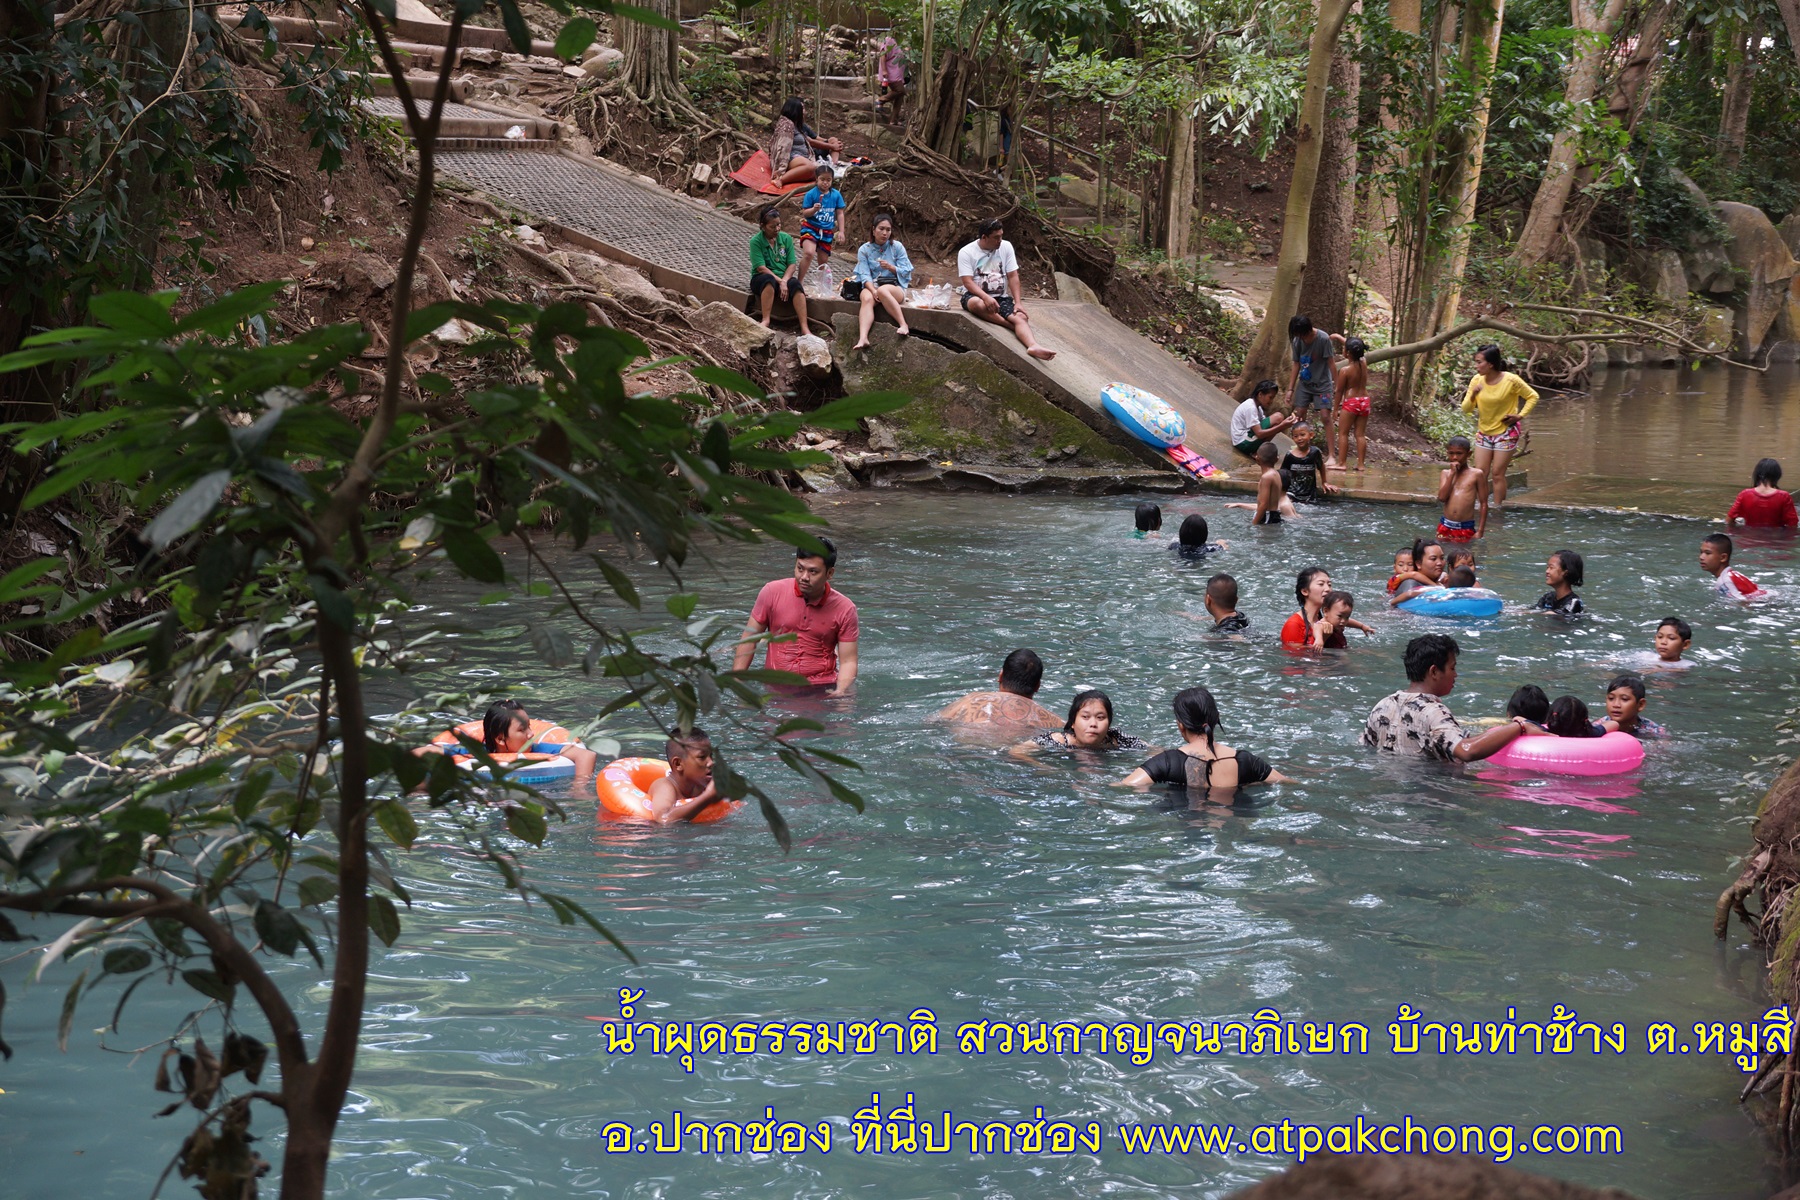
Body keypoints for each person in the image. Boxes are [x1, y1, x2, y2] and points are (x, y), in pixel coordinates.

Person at [1362, 633, 1533, 761]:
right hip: (1433, 796)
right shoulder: (1433, 711)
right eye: (1452, 668)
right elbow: (1467, 751)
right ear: (1434, 671)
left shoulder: (1382, 706)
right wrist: (1520, 726)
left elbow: (1366, 748)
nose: (1456, 675)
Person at [732, 538, 858, 695]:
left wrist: (841, 691)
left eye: (813, 572)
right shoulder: (771, 592)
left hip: (821, 688)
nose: (804, 577)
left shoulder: (845, 609)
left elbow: (848, 661)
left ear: (829, 573)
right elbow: (749, 639)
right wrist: (737, 680)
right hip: (776, 684)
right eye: (800, 568)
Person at [1116, 686, 1290, 794]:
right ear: (1217, 718)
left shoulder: (1168, 761)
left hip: (1191, 825)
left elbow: (1124, 787)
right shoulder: (1245, 761)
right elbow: (1288, 783)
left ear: (1180, 725)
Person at [957, 218, 1055, 360]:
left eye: (1001, 236)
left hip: (1001, 297)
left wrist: (1018, 302)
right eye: (996, 237)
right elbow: (967, 282)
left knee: (1021, 316)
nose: (1000, 240)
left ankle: (1033, 345)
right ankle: (1009, 325)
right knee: (977, 304)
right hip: (976, 295)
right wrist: (985, 297)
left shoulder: (1006, 247)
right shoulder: (967, 252)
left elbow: (1013, 276)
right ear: (984, 237)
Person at [422, 700, 600, 775]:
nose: (531, 734)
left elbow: (587, 755)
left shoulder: (539, 749)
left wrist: (579, 790)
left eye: (529, 726)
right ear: (500, 739)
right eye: (523, 730)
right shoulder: (473, 753)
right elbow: (421, 753)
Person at [1459, 344, 1538, 507]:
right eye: (1476, 362)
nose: (1476, 366)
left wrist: (1520, 415)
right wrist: (1474, 393)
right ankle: (1479, 506)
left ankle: (1497, 509)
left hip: (1506, 432)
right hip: (1484, 431)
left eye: (1479, 362)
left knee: (1497, 474)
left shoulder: (1511, 380)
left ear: (1491, 364)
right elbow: (1466, 409)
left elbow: (1532, 396)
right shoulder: (1476, 380)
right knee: (1480, 473)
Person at [936, 648, 1061, 729]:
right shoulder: (1055, 721)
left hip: (965, 750)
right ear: (1038, 686)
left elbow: (932, 722)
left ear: (1000, 675)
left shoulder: (970, 700)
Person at [1014, 689, 1153, 755]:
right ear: (1073, 722)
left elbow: (1155, 751)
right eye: (1085, 717)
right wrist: (1044, 768)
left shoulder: (1118, 739)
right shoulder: (1057, 741)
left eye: (1100, 718)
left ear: (1109, 724)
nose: (1093, 724)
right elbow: (1017, 752)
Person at [847, 212, 913, 349]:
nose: (885, 233)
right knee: (865, 297)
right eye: (881, 229)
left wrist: (891, 267)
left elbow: (907, 271)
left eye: (888, 230)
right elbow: (864, 274)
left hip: (895, 287)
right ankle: (863, 338)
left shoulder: (897, 247)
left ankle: (903, 324)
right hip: (873, 286)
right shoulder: (864, 249)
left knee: (883, 290)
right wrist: (872, 290)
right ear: (873, 229)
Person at [645, 728, 728, 823]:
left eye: (711, 756)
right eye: (702, 757)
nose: (711, 762)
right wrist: (708, 796)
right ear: (678, 764)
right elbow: (663, 818)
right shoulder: (664, 786)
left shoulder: (700, 784)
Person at [1285, 315, 1343, 445]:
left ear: (1307, 330)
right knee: (1299, 414)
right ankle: (1301, 448)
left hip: (1322, 384)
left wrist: (1337, 386)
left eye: (1301, 334)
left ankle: (1332, 454)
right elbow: (1296, 364)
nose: (1300, 337)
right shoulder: (1297, 340)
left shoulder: (1323, 339)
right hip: (1305, 384)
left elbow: (1331, 363)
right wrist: (1290, 389)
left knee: (1325, 416)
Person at [750, 206, 808, 330]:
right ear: (763, 226)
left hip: (783, 277)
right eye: (772, 227)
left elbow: (792, 264)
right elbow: (761, 268)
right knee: (768, 280)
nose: (776, 229)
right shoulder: (756, 241)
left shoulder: (786, 238)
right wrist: (780, 281)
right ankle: (766, 319)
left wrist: (785, 281)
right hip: (762, 277)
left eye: (779, 225)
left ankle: (804, 326)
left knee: (797, 285)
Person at [769, 96, 843, 187]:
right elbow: (783, 147)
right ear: (795, 110)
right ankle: (781, 180)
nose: (804, 112)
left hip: (803, 156)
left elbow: (815, 138)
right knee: (811, 168)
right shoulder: (786, 125)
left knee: (820, 172)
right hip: (791, 157)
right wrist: (780, 167)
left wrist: (831, 143)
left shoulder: (797, 125)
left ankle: (832, 166)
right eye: (802, 109)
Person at [797, 163, 848, 286]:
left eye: (828, 180)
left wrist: (841, 231)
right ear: (817, 179)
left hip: (826, 231)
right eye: (822, 179)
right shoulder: (811, 194)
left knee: (823, 260)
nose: (825, 183)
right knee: (809, 253)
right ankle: (799, 282)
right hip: (811, 227)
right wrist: (814, 209)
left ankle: (820, 285)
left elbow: (840, 213)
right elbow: (805, 213)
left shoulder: (835, 195)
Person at [1226, 442, 1298, 525]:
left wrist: (1254, 523)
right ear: (1277, 459)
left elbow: (1263, 504)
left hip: (1267, 516)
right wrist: (1240, 504)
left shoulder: (1266, 477)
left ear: (1257, 458)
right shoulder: (1276, 474)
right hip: (1274, 514)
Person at [1437, 435, 1488, 542]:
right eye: (1451, 453)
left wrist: (1480, 531)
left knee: (1463, 557)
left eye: (1459, 453)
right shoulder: (1445, 473)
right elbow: (1442, 498)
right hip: (1445, 525)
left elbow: (1483, 503)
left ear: (1468, 454)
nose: (1455, 457)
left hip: (1465, 527)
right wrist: (1451, 475)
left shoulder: (1477, 474)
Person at [1230, 379, 1296, 458]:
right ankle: (1259, 451)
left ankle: (1259, 450)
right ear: (1260, 394)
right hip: (1242, 443)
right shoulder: (1250, 407)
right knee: (1278, 417)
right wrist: (1282, 426)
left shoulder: (1258, 408)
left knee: (1278, 419)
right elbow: (1260, 434)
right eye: (1270, 397)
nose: (1271, 401)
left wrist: (1282, 425)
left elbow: (1267, 428)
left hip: (1245, 440)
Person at [1334, 337, 1372, 471]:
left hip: (1351, 402)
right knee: (1360, 434)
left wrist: (1335, 410)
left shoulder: (1344, 370)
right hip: (1365, 401)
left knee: (1343, 433)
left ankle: (1341, 463)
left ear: (1348, 353)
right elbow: (1356, 346)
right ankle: (1361, 464)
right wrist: (1338, 337)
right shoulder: (1364, 362)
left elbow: (1339, 391)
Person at [1727, 458, 1798, 528]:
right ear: (1777, 476)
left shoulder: (1744, 494)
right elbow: (1793, 525)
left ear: (1757, 475)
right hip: (1775, 538)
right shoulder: (1784, 496)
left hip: (1748, 537)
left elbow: (1729, 520)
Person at [1279, 421, 1338, 505]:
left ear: (1311, 435)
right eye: (1296, 436)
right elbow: (1282, 473)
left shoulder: (1315, 452)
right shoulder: (1290, 455)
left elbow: (1321, 466)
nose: (1299, 438)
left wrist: (1324, 482)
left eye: (1302, 435)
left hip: (1309, 494)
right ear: (1293, 438)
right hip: (1292, 493)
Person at [1699, 532, 1768, 601]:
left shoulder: (1724, 581)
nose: (1701, 557)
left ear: (1723, 557)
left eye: (1708, 553)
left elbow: (1743, 602)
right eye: (1701, 552)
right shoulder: (1734, 575)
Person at [1598, 674, 1666, 738]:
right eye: (1611, 698)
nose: (1616, 705)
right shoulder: (1599, 726)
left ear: (1640, 705)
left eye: (1624, 699)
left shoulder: (1654, 731)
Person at [1280, 566, 1334, 646]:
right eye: (1321, 584)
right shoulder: (1293, 625)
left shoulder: (1327, 619)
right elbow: (1295, 656)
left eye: (1329, 585)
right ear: (1305, 591)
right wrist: (1324, 638)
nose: (1327, 589)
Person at [1533, 549, 1585, 616]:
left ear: (1565, 573)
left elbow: (1562, 616)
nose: (1547, 571)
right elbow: (1533, 610)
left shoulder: (1574, 602)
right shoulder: (1548, 598)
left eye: (1551, 568)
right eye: (1547, 567)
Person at [875, 36, 906, 126]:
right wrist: (884, 70)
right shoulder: (888, 40)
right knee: (900, 91)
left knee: (899, 97)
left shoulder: (899, 40)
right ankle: (881, 100)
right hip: (891, 72)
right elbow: (883, 55)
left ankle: (893, 120)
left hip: (898, 73)